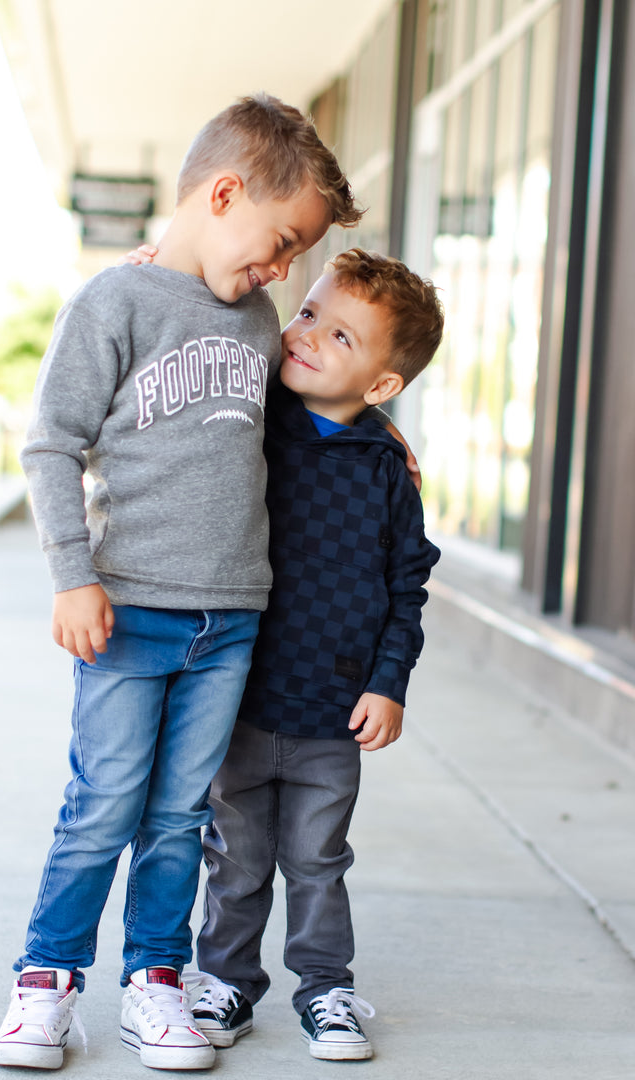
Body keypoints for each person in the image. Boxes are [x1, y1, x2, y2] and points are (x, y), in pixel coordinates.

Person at [0, 93, 364, 1074]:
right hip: (128, 609)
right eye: (282, 243)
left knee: (179, 813)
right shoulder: (112, 303)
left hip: (229, 621)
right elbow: (50, 444)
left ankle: (156, 981)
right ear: (226, 192)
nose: (282, 271)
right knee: (106, 800)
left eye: (295, 259)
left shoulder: (258, 320)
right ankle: (47, 981)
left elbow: (296, 429)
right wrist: (73, 577)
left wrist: (381, 442)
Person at [184, 248, 443, 1061]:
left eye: (340, 336)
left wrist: (389, 682)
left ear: (381, 387)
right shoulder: (253, 421)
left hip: (334, 713)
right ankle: (224, 981)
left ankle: (327, 988)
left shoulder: (386, 470)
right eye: (308, 314)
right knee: (235, 858)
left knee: (319, 860)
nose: (305, 337)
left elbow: (409, 585)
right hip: (241, 698)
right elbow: (194, 349)